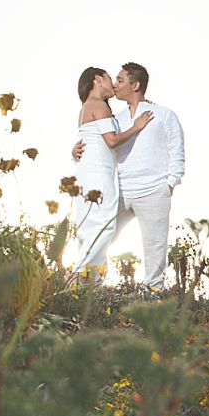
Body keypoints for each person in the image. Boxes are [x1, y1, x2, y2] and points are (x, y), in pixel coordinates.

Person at [72, 61, 185, 292]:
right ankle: (89, 288)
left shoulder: (163, 115)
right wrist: (75, 152)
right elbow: (98, 143)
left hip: (153, 190)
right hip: (120, 190)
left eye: (120, 80)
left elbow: (177, 149)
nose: (115, 85)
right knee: (101, 234)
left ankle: (153, 296)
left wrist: (170, 183)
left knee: (155, 247)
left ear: (136, 85)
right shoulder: (116, 118)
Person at [70, 66, 151, 280]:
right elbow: (112, 140)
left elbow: (89, 141)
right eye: (109, 78)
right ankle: (78, 277)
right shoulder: (98, 105)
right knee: (103, 225)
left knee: (92, 226)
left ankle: (91, 284)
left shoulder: (89, 107)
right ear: (97, 79)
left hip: (91, 172)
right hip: (97, 175)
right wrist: (137, 126)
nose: (113, 84)